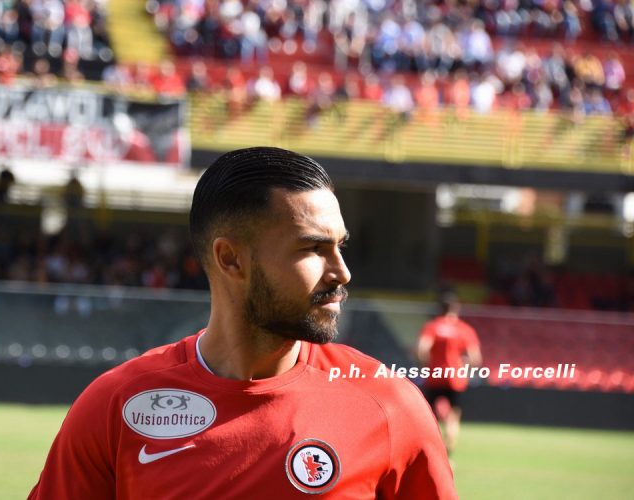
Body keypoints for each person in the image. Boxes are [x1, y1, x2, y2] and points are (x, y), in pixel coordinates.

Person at [29, 147, 456, 498]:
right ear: (230, 258)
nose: (341, 272)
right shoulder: (114, 407)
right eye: (313, 249)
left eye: (340, 246)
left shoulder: (388, 405)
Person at [417, 291, 482, 456]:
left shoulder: (432, 327)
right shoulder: (465, 330)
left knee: (429, 416)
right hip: (456, 378)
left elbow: (422, 350)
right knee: (454, 417)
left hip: (435, 376)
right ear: (456, 308)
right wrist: (463, 367)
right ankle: (449, 451)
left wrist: (427, 364)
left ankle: (431, 449)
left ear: (439, 308)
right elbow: (475, 358)